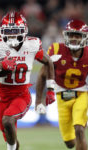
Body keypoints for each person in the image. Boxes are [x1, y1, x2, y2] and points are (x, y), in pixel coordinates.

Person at [0, 11, 54, 150]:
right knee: (9, 137)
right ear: (2, 32)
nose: (12, 35)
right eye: (8, 31)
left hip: (22, 95)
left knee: (8, 121)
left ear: (24, 31)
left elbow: (48, 62)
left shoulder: (31, 45)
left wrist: (50, 88)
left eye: (16, 31)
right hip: (2, 97)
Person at [35, 19, 88, 150]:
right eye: (71, 35)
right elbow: (42, 75)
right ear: (66, 35)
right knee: (69, 143)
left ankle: (81, 124)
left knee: (79, 129)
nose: (74, 38)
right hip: (62, 96)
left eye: (77, 35)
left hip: (82, 94)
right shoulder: (56, 49)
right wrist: (38, 102)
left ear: (84, 37)